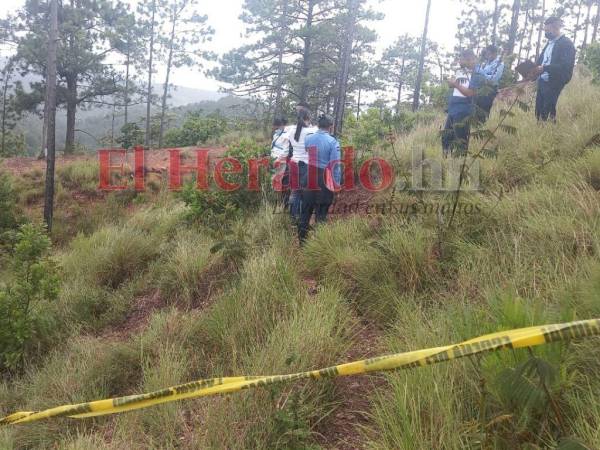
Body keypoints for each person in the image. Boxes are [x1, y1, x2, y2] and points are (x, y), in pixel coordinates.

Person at [298, 114, 341, 243]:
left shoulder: (309, 138)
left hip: (309, 176)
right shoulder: (333, 142)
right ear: (331, 126)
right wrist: (336, 185)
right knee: (321, 214)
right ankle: (319, 246)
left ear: (318, 125)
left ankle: (302, 243)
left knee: (305, 212)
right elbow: (335, 166)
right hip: (324, 179)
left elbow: (307, 151)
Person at [442, 49, 486, 157]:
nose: (459, 62)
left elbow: (470, 93)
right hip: (453, 109)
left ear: (470, 59)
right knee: (446, 137)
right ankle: (446, 158)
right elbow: (457, 87)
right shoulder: (461, 71)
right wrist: (451, 83)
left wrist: (455, 84)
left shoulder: (477, 74)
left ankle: (461, 163)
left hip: (464, 110)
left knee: (460, 139)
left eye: (461, 59)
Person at [533, 17, 576, 122]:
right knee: (538, 110)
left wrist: (544, 68)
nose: (546, 33)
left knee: (546, 110)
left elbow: (565, 65)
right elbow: (541, 60)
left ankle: (549, 131)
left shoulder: (567, 44)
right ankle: (545, 131)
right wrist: (532, 70)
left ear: (556, 28)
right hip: (543, 80)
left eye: (548, 31)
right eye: (545, 31)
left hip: (555, 81)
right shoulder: (549, 43)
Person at [286, 108, 317, 222]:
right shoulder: (312, 131)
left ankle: (293, 217)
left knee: (295, 192)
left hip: (293, 163)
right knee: (306, 193)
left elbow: (289, 129)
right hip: (307, 165)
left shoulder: (291, 130)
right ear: (307, 119)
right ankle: (304, 219)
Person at [474, 45, 505, 121]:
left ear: (494, 53)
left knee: (484, 109)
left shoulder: (499, 64)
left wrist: (482, 74)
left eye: (488, 54)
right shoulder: (486, 63)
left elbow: (494, 79)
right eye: (486, 54)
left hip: (490, 89)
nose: (487, 56)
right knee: (477, 108)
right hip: (481, 88)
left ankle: (482, 126)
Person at [270, 117, 290, 206]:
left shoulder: (286, 135)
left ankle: (280, 202)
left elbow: (285, 151)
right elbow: (273, 147)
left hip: (280, 162)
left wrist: (278, 160)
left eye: (275, 126)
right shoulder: (276, 134)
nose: (274, 128)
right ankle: (274, 199)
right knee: (274, 180)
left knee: (278, 180)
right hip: (273, 160)